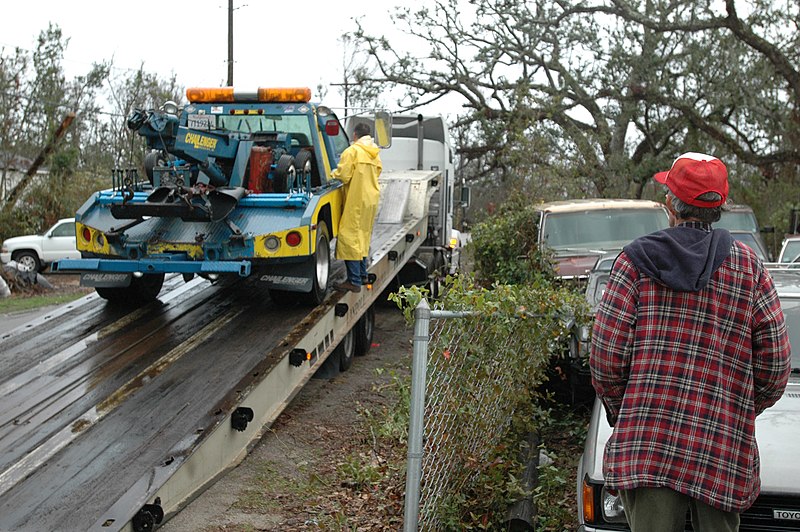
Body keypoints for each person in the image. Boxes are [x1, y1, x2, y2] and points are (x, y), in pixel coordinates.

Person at [590, 152, 791, 532]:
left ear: (670, 203)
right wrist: (736, 410)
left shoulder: (633, 263)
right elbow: (776, 368)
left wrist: (627, 410)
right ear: (722, 207)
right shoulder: (749, 269)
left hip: (648, 449)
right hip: (721, 451)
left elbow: (605, 359)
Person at [332, 122, 382, 293]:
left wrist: (332, 174)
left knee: (349, 237)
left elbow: (344, 176)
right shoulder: (374, 154)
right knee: (362, 236)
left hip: (356, 199)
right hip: (370, 200)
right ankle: (362, 275)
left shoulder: (352, 151)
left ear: (354, 135)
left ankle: (353, 281)